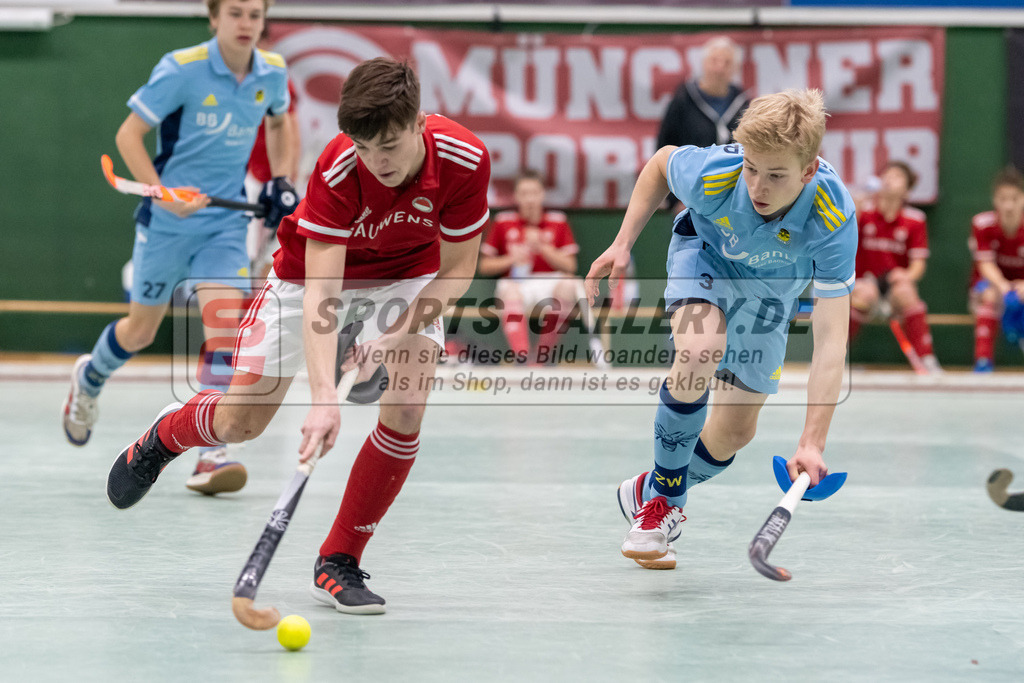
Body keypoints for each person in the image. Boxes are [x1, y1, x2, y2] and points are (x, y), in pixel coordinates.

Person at [105, 58, 491, 614]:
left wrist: (395, 333)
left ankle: (339, 560)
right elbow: (321, 292)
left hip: (408, 277)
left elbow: (457, 270)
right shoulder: (340, 166)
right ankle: (166, 434)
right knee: (243, 422)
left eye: (389, 145)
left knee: (406, 406)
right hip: (303, 277)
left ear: (419, 125)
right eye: (363, 146)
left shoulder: (464, 159)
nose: (376, 161)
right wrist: (325, 401)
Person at [586, 89, 856, 571]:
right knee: (700, 349)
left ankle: (649, 488)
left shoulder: (833, 217)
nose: (758, 186)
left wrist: (812, 442)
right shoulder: (719, 172)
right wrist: (622, 242)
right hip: (706, 257)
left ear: (810, 169)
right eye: (753, 168)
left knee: (732, 435)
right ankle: (662, 507)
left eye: (776, 175)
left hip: (772, 295)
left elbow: (832, 339)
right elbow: (660, 165)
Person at [61, 0, 296, 498]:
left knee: (224, 325)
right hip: (165, 225)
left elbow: (279, 122)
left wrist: (281, 180)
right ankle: (91, 375)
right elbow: (129, 136)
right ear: (213, 18)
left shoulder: (272, 71)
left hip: (226, 225)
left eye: (255, 15)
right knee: (140, 331)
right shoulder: (180, 69)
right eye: (235, 13)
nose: (246, 24)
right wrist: (163, 193)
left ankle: (213, 451)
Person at [478, 170, 582, 363]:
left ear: (542, 194)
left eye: (534, 193)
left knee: (570, 285)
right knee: (510, 292)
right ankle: (523, 359)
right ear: (516, 196)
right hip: (516, 283)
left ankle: (543, 358)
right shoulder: (503, 221)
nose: (529, 199)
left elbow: (571, 265)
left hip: (549, 282)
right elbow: (484, 267)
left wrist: (543, 248)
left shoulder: (558, 221)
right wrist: (511, 258)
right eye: (524, 194)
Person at [850, 161, 940, 373]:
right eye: (886, 175)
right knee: (865, 294)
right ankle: (836, 359)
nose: (889, 179)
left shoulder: (915, 220)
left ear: (907, 191)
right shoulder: (864, 212)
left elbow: (918, 265)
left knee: (907, 291)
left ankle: (926, 360)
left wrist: (906, 275)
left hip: (891, 286)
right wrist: (855, 211)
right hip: (863, 283)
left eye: (897, 176)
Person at [657, 36, 750, 214]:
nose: (719, 67)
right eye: (714, 60)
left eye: (727, 62)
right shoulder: (683, 100)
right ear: (703, 63)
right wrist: (674, 199)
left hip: (733, 203)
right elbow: (664, 148)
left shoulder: (744, 105)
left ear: (735, 68)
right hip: (689, 200)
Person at [968, 166, 1024, 372]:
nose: (1008, 205)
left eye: (1014, 198)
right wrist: (1004, 287)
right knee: (990, 296)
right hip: (989, 286)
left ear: (1023, 199)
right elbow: (985, 264)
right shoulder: (982, 224)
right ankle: (983, 362)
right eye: (1003, 199)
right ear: (995, 200)